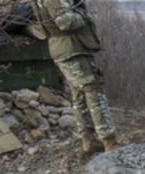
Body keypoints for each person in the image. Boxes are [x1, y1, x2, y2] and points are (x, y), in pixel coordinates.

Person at [28, 0, 118, 154]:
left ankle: (88, 141)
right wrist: (82, 14)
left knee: (80, 95)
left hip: (66, 49)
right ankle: (110, 143)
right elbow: (67, 22)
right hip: (71, 49)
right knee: (94, 92)